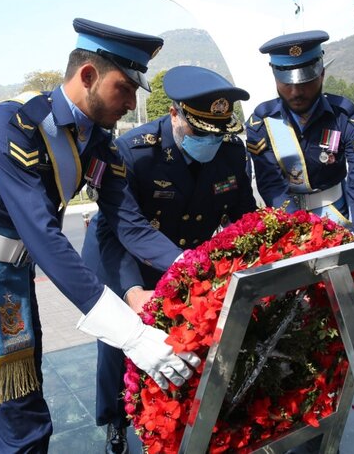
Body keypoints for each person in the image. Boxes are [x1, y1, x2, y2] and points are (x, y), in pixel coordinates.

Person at [0, 18, 201, 453]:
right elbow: (43, 238)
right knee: (23, 426)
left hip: (12, 280)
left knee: (23, 412)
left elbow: (129, 223)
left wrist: (199, 269)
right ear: (89, 76)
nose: (132, 104)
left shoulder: (95, 141)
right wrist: (129, 334)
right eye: (126, 88)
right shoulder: (12, 126)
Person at [82, 65, 258, 454]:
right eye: (200, 132)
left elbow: (244, 217)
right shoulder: (133, 153)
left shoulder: (229, 153)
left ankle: (178, 416)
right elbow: (116, 232)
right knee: (120, 344)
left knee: (185, 339)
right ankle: (116, 418)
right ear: (175, 113)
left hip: (184, 258)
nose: (210, 142)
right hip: (124, 259)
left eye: (217, 132)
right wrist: (131, 291)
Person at [244, 31, 354, 240]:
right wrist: (295, 230)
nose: (295, 92)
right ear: (275, 77)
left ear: (322, 74)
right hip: (287, 221)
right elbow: (271, 185)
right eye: (287, 83)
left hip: (336, 217)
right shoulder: (262, 123)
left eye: (305, 82)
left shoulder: (344, 117)